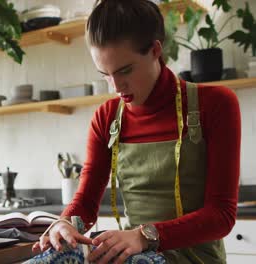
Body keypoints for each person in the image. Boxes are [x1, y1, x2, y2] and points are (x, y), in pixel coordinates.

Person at [32, 0, 241, 263]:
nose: (116, 87)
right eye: (105, 74)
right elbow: (85, 204)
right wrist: (65, 224)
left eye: (125, 71)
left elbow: (221, 215)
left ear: (155, 50)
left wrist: (144, 236)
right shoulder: (107, 117)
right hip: (137, 255)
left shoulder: (215, 104)